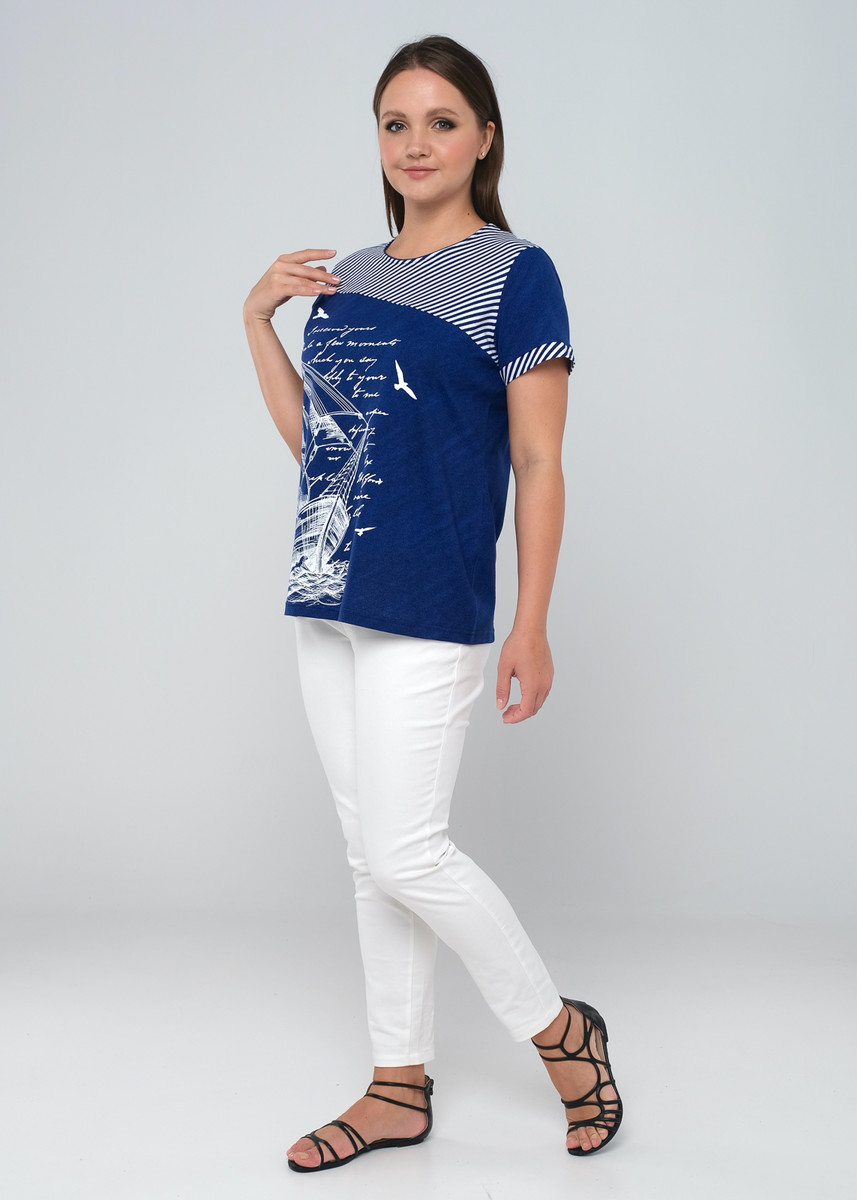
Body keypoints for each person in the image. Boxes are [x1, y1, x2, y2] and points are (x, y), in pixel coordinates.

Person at [242, 34, 623, 1172]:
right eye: (396, 123)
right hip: (330, 591)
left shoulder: (515, 272)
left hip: (430, 591)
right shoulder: (350, 274)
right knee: (371, 855)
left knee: (408, 852)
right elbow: (325, 449)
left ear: (485, 139)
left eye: (442, 122)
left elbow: (541, 461)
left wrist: (532, 620)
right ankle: (396, 1085)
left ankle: (561, 1033)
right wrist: (257, 321)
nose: (416, 144)